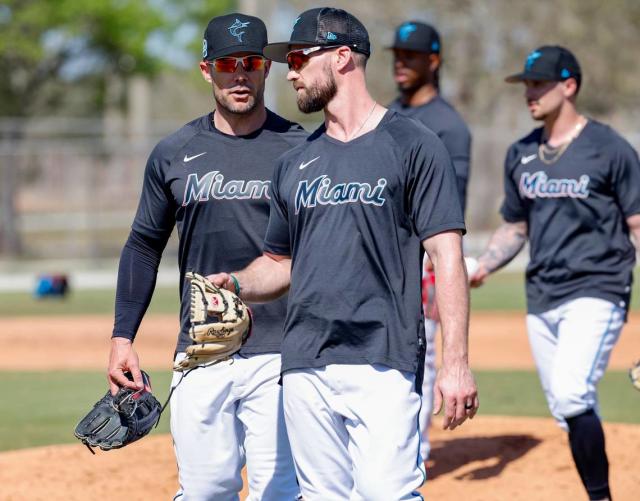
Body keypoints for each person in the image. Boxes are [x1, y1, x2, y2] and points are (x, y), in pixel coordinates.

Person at [209, 7, 478, 500]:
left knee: (387, 493)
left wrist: (456, 362)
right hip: (305, 359)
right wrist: (235, 284)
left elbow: (446, 255)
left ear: (342, 57)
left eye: (297, 58)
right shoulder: (295, 163)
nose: (289, 71)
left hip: (383, 356)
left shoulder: (413, 145)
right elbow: (279, 264)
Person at [106, 13, 306, 500]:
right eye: (226, 64)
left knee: (278, 491)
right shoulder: (175, 152)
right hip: (202, 348)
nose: (239, 74)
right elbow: (142, 246)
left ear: (266, 69)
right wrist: (122, 337)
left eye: (250, 62)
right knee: (205, 490)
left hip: (282, 349)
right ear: (206, 70)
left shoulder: (302, 149)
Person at [471, 46, 640, 501]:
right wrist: (484, 265)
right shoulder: (522, 153)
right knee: (568, 407)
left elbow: (637, 225)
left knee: (569, 393)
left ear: (569, 86)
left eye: (539, 83)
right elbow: (515, 225)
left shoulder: (610, 148)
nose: (530, 91)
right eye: (526, 83)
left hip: (599, 286)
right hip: (542, 293)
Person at [388, 20, 472, 461]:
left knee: (422, 356)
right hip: (381, 253)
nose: (400, 62)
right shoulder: (386, 114)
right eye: (397, 55)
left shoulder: (448, 126)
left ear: (433, 61)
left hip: (421, 256)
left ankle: (412, 456)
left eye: (412, 55)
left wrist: (440, 270)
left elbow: (446, 210)